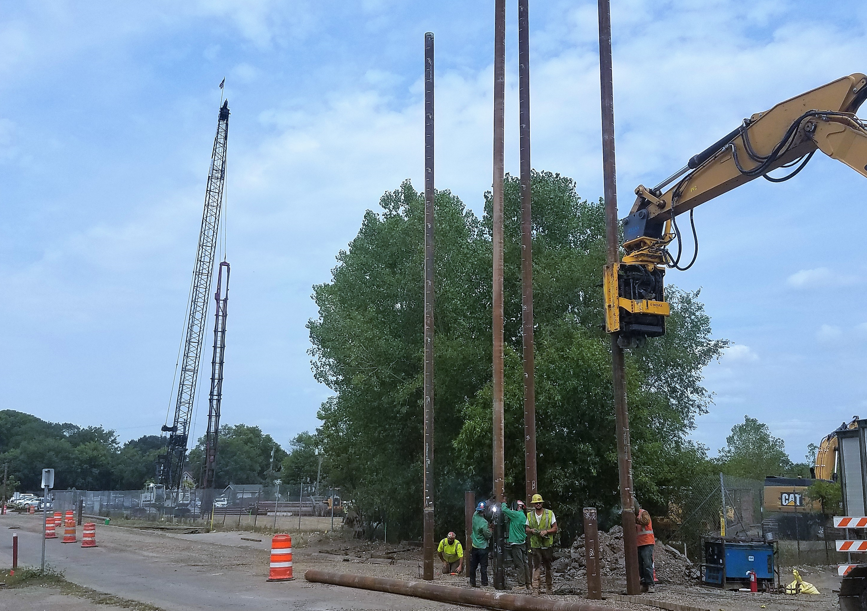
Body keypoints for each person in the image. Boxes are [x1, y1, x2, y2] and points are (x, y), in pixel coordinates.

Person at [525, 493, 557, 595]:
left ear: (542, 503)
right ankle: (535, 588)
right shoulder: (530, 515)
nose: (538, 504)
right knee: (537, 566)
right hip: (535, 544)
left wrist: (546, 532)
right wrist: (532, 530)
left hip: (547, 544)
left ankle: (549, 587)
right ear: (534, 504)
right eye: (536, 503)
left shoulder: (550, 513)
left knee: (548, 566)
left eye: (539, 502)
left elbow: (555, 528)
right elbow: (526, 529)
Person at [500, 493, 530, 590]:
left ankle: (521, 585)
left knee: (519, 564)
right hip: (522, 542)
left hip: (516, 543)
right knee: (524, 563)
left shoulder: (516, 515)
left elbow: (504, 510)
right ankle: (528, 583)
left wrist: (504, 502)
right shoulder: (522, 516)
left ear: (518, 507)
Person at [469, 501, 492, 587]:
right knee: (483, 567)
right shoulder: (484, 522)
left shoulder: (474, 516)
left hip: (474, 545)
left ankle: (472, 582)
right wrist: (491, 530)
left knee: (473, 566)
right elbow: (488, 535)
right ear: (484, 511)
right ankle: (484, 583)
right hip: (482, 547)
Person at [635, 502, 655, 593]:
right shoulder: (633, 516)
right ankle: (644, 584)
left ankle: (650, 584)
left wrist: (635, 520)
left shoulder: (643, 513)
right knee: (641, 565)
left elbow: (645, 521)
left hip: (647, 542)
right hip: (638, 543)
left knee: (647, 564)